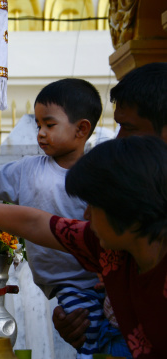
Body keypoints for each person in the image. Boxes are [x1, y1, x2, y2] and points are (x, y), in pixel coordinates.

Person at [0, 135, 167, 358]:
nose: (86, 216)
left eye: (94, 206)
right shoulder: (107, 245)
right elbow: (37, 224)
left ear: (126, 207)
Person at [0, 78, 105, 356]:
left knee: (95, 342)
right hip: (63, 286)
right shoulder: (29, 169)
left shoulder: (99, 176)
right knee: (89, 336)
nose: (40, 133)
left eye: (49, 125)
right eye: (38, 125)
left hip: (91, 280)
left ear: (82, 129)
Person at [52, 62, 167, 352]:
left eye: (128, 128)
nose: (119, 139)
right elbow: (41, 225)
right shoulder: (123, 232)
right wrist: (90, 318)